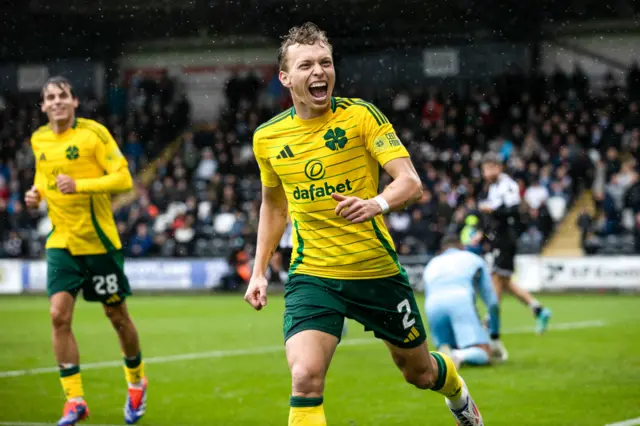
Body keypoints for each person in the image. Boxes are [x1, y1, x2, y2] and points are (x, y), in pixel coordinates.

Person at [244, 23, 484, 426]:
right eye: (306, 65)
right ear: (285, 77)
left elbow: (411, 182)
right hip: (313, 274)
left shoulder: (360, 116)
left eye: (326, 62)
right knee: (304, 378)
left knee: (420, 374)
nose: (319, 72)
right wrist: (258, 272)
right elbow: (273, 206)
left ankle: (457, 393)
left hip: (375, 271)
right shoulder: (267, 138)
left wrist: (377, 202)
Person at [25, 76, 147, 426]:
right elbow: (43, 180)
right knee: (58, 315)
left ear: (74, 102)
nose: (57, 102)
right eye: (50, 97)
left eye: (63, 95)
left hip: (98, 244)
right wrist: (36, 195)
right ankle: (74, 399)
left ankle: (136, 381)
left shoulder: (94, 134)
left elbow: (124, 179)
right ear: (44, 106)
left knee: (117, 317)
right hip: (62, 242)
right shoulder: (39, 139)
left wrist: (81, 185)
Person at [479, 153, 552, 335]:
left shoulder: (507, 185)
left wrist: (492, 209)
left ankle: (490, 322)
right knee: (505, 282)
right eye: (484, 169)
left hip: (506, 238)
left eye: (489, 168)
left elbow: (513, 210)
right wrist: (484, 233)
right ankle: (539, 310)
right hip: (498, 237)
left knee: (495, 277)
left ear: (498, 167)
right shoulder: (493, 187)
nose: (486, 172)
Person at [423, 235, 506, 368]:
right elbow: (492, 303)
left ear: (442, 249)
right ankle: (458, 355)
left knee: (448, 346)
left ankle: (446, 351)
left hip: (432, 306)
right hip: (459, 301)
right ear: (462, 247)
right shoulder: (473, 258)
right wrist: (494, 335)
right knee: (484, 352)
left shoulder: (432, 263)